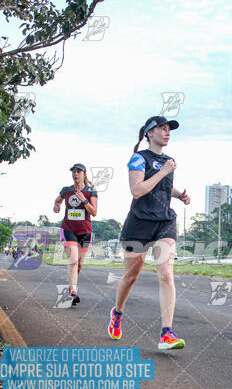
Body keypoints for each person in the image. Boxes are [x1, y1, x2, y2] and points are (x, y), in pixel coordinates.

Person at [108, 115, 190, 350]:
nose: (167, 133)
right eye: (162, 129)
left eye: (169, 130)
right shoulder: (138, 158)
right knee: (131, 276)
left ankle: (166, 333)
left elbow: (163, 186)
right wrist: (164, 171)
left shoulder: (168, 161)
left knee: (166, 273)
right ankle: (118, 312)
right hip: (139, 223)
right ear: (149, 134)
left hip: (164, 221)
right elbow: (137, 190)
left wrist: (179, 195)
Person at [53, 163, 98, 306]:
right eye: (74, 171)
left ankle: (71, 285)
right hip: (68, 229)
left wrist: (83, 200)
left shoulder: (91, 191)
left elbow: (94, 212)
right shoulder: (66, 190)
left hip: (85, 231)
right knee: (73, 261)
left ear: (84, 174)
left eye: (79, 171)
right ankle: (73, 292)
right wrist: (57, 206)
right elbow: (57, 201)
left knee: (79, 264)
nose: (75, 174)